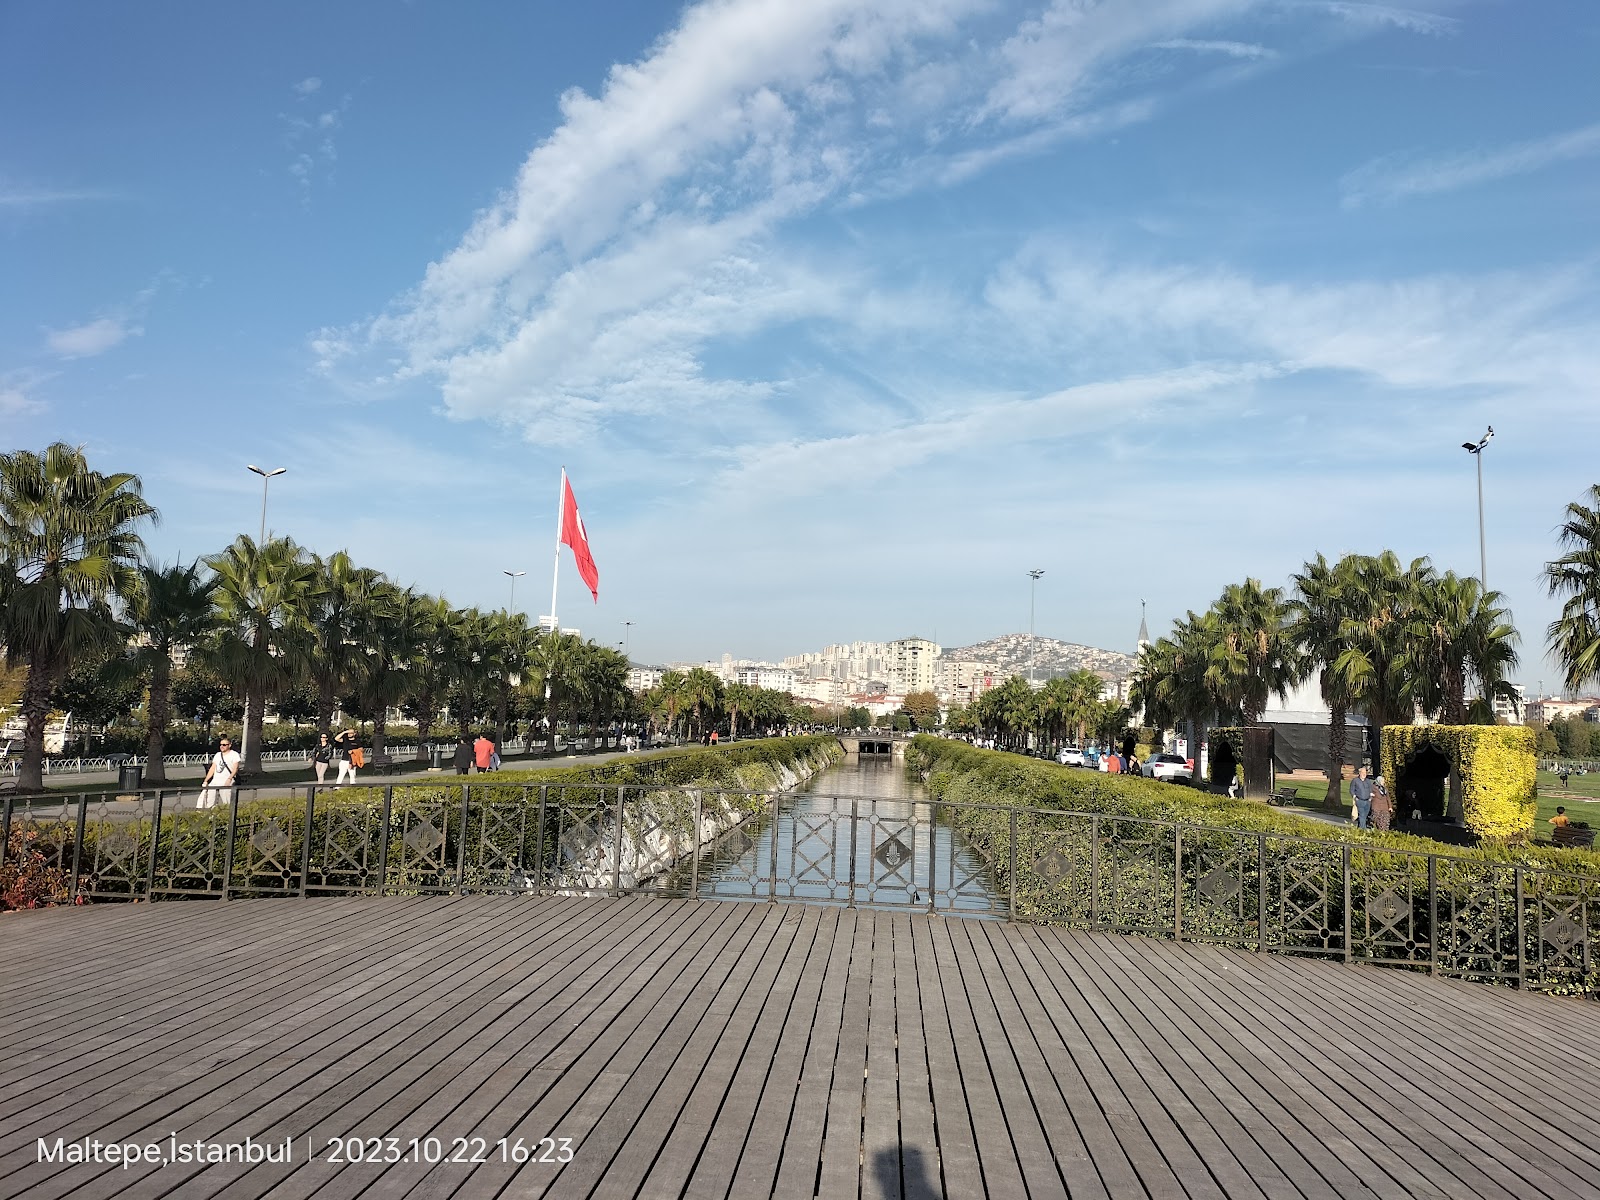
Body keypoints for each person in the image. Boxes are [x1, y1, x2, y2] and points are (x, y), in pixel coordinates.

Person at [198, 736, 241, 810]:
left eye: (224, 745)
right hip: (215, 781)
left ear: (229, 745)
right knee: (210, 800)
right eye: (221, 745)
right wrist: (206, 780)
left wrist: (230, 779)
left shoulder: (234, 755)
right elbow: (212, 768)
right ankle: (210, 814)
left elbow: (235, 768)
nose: (222, 746)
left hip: (226, 781)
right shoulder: (218, 755)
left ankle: (228, 814)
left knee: (227, 801)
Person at [1350, 766, 1374, 830]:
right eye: (1363, 772)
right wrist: (1355, 797)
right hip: (1359, 800)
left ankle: (1359, 827)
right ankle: (1363, 829)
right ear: (1359, 773)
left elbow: (1371, 790)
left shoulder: (1368, 781)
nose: (1364, 774)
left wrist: (1370, 798)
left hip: (1367, 801)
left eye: (1365, 773)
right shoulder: (1355, 780)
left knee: (1364, 815)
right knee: (1362, 815)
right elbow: (1352, 790)